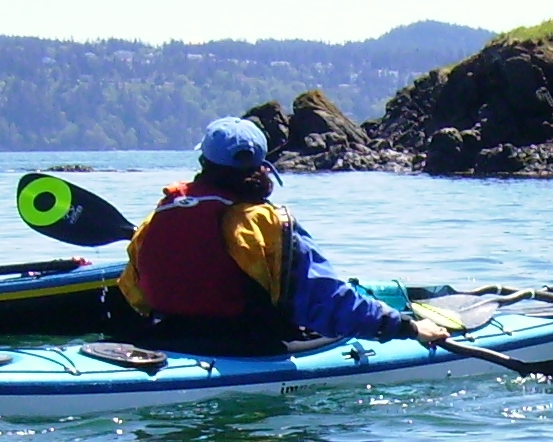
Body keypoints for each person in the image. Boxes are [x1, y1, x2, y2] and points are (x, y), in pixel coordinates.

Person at [116, 117, 450, 354]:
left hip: (165, 337)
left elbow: (135, 294)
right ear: (263, 166)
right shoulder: (266, 222)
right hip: (246, 345)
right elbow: (325, 301)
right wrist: (407, 328)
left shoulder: (159, 216)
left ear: (204, 162)